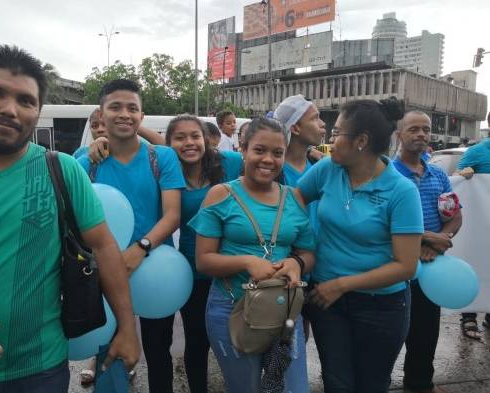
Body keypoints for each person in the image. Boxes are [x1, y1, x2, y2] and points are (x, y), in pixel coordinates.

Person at [0, 45, 139, 392]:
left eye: (25, 101)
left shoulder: (62, 170)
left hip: (41, 369)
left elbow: (104, 248)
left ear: (37, 110)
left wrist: (127, 329)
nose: (9, 109)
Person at [297, 98, 424, 393]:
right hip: (327, 301)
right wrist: (301, 245)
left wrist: (341, 285)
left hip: (382, 306)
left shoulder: (401, 191)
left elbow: (406, 266)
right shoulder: (328, 169)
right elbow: (294, 200)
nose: (330, 139)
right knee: (337, 382)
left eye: (337, 133)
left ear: (361, 141)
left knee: (371, 384)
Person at [189, 117, 316, 393]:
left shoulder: (294, 198)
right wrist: (247, 262)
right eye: (259, 150)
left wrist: (297, 262)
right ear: (243, 150)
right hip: (231, 309)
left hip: (284, 311)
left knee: (292, 388)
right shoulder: (220, 195)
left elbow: (309, 252)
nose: (268, 159)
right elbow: (204, 260)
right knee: (245, 388)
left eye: (277, 153)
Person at [76, 79, 184, 393]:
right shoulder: (85, 164)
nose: (125, 114)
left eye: (132, 108)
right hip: (102, 274)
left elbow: (172, 214)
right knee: (108, 354)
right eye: (116, 107)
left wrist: (142, 247)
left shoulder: (161, 158)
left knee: (157, 351)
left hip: (154, 268)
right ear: (101, 114)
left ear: (141, 115)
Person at [166, 114, 243, 392]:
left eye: (195, 136)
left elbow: (265, 160)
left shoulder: (229, 164)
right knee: (197, 342)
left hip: (233, 269)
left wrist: (309, 150)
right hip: (192, 271)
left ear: (206, 140)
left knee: (238, 340)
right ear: (169, 143)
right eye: (180, 138)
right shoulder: (166, 172)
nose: (189, 143)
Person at [394, 111, 463, 393]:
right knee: (387, 334)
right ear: (399, 135)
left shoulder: (438, 175)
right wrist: (423, 241)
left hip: (431, 269)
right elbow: (380, 221)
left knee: (426, 333)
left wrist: (440, 240)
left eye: (426, 129)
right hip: (394, 267)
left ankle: (420, 384)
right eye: (414, 129)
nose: (421, 134)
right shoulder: (387, 174)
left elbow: (455, 216)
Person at [456, 136, 490, 338]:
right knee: (475, 263)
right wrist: (463, 173)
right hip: (479, 222)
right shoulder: (476, 151)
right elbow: (456, 179)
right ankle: (468, 317)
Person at [273, 94, 326, 187]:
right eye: (315, 118)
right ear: (295, 129)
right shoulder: (273, 172)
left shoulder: (319, 164)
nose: (323, 123)